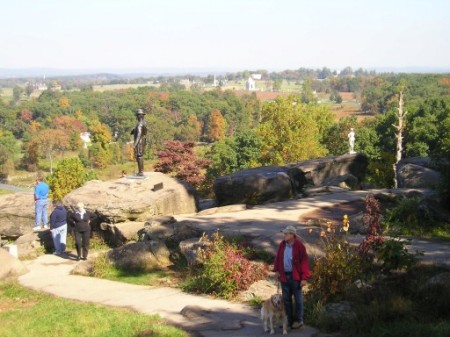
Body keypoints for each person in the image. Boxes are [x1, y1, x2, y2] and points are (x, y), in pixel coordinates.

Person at [273, 225, 311, 329]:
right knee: (286, 300)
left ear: (292, 235)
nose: (284, 235)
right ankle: (288, 321)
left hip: (295, 277)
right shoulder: (282, 244)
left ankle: (298, 320)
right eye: (284, 233)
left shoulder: (299, 246)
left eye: (286, 234)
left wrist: (304, 278)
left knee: (298, 300)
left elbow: (304, 262)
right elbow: (278, 258)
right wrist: (277, 270)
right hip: (284, 276)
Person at [130, 109, 147, 176]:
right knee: (140, 156)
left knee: (139, 156)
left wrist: (135, 144)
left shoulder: (140, 124)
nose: (136, 117)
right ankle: (141, 171)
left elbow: (139, 135)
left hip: (139, 142)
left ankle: (140, 172)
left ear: (139, 116)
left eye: (137, 115)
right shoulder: (143, 122)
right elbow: (143, 130)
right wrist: (134, 130)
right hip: (143, 141)